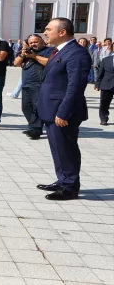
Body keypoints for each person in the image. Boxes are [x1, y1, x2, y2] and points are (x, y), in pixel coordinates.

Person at [37, 17, 91, 200]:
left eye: (48, 29)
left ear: (62, 32)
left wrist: (63, 111)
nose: (45, 32)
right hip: (51, 109)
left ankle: (69, 187)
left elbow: (75, 86)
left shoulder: (77, 53)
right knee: (58, 148)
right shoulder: (59, 51)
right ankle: (63, 180)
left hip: (62, 112)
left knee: (66, 148)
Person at [14, 34, 52, 140]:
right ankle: (32, 127)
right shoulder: (27, 52)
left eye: (35, 42)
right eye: (31, 42)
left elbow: (50, 63)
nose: (33, 44)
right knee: (26, 108)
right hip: (26, 84)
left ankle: (35, 130)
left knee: (37, 108)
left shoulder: (48, 51)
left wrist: (34, 56)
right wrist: (22, 54)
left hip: (39, 84)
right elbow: (16, 63)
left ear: (42, 41)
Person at [95, 50, 114, 126]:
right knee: (104, 103)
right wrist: (97, 84)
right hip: (107, 84)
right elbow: (101, 73)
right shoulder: (106, 60)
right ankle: (103, 118)